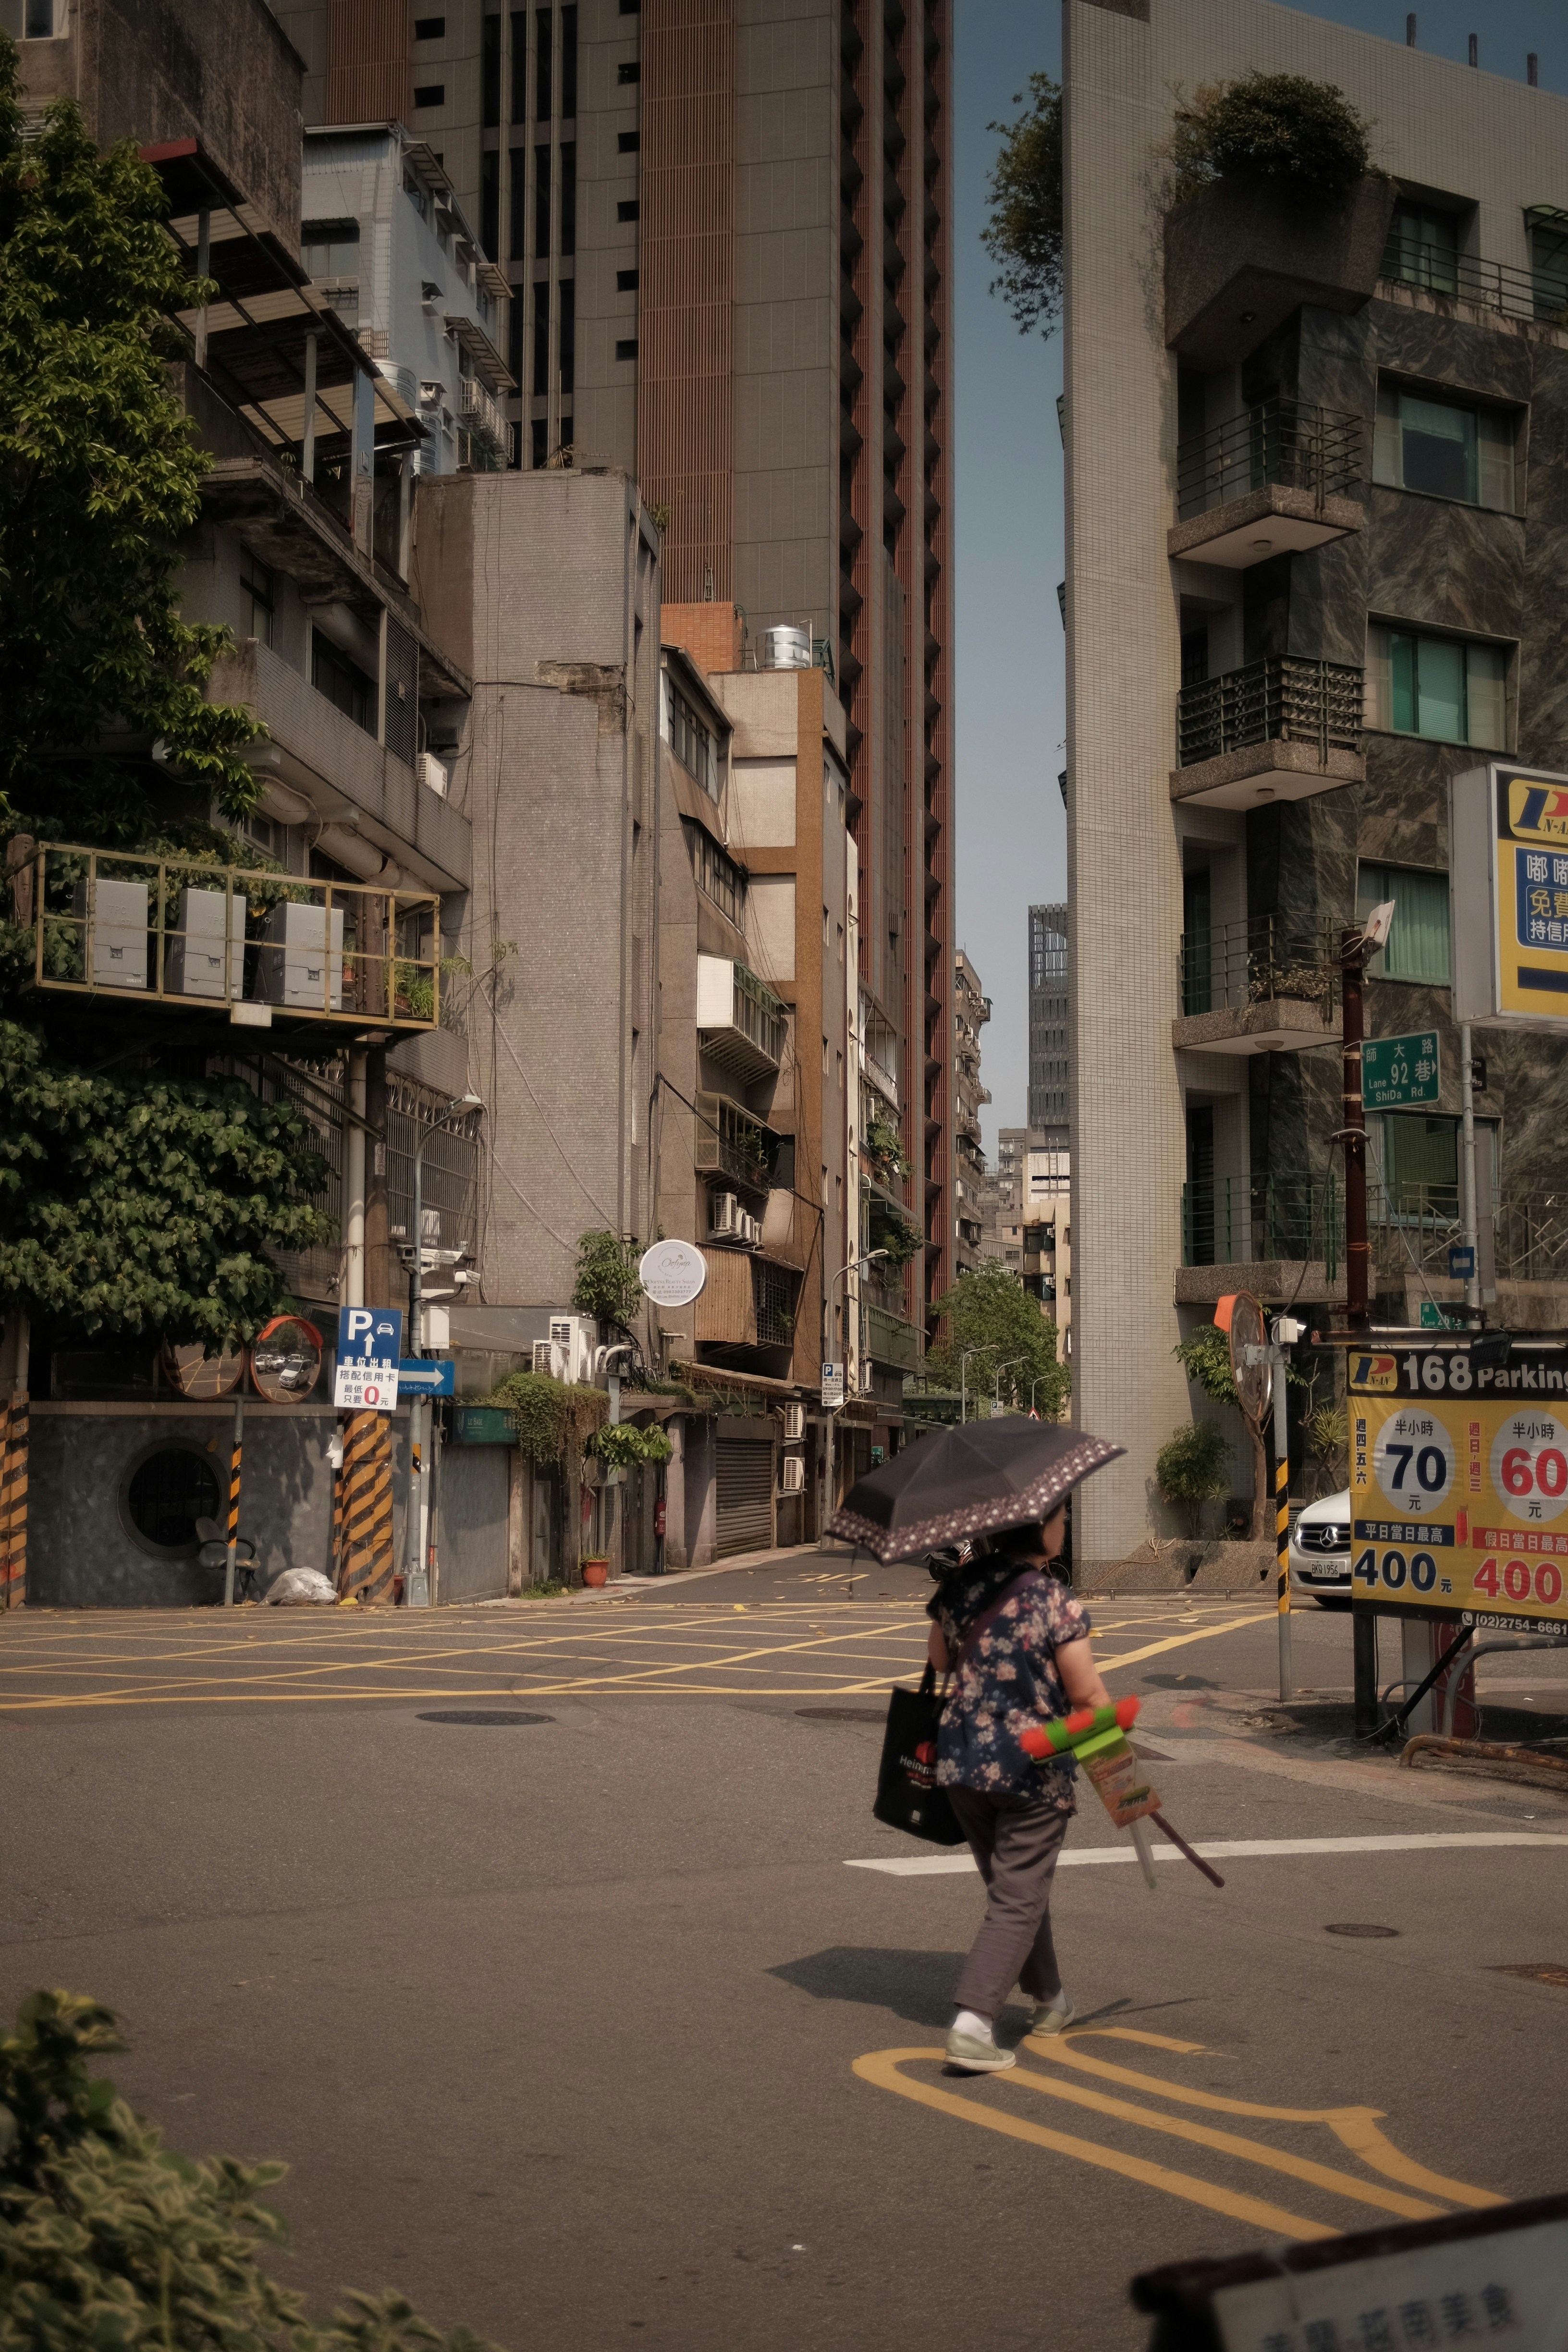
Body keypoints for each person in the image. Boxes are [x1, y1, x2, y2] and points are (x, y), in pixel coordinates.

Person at [925, 1505, 1111, 2072]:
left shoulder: (959, 1587)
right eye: (1060, 1518)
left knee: (1015, 1889)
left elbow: (939, 1659)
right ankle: (973, 2024)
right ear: (1040, 1530)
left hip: (963, 1766)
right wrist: (1123, 1779)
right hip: (1033, 1770)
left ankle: (1051, 2000)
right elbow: (1088, 1700)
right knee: (1018, 1895)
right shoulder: (1053, 1600)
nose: (1065, 1527)